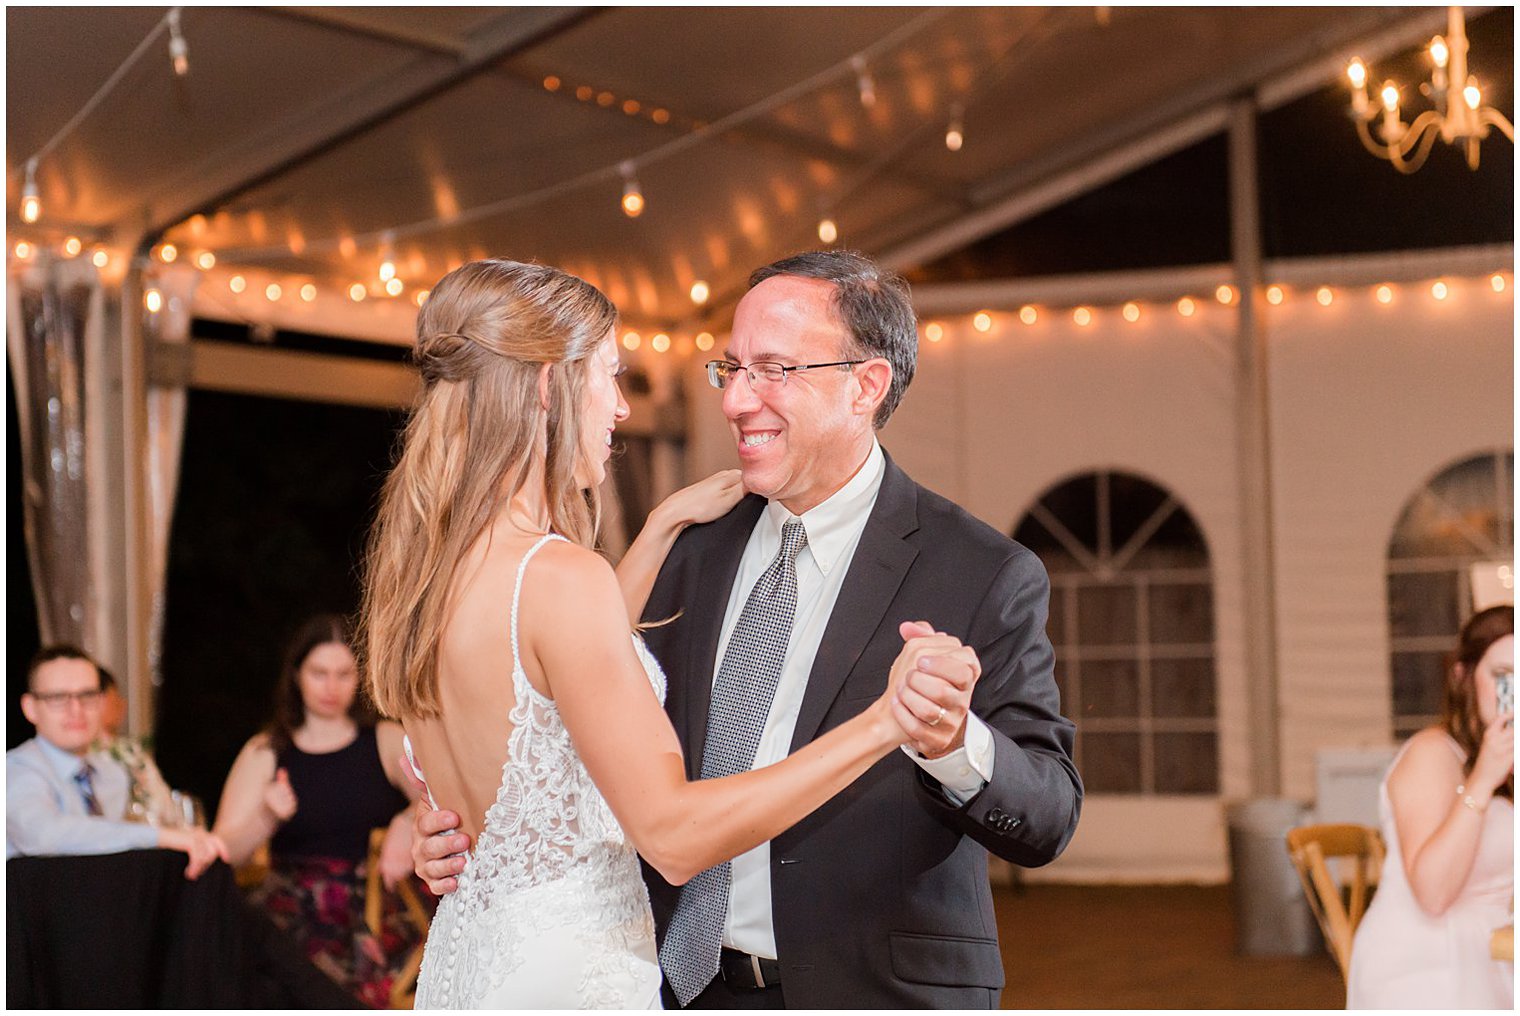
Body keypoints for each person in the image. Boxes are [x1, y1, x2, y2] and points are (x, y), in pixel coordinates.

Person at [414, 250, 1083, 1008]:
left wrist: (955, 742)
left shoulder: (979, 569)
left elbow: (1049, 815)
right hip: (670, 986)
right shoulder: (692, 549)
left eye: (773, 370)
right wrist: (471, 834)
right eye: (730, 369)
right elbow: (554, 715)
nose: (736, 401)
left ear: (865, 384)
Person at [212, 614, 423, 1008]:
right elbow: (222, 852)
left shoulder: (387, 739)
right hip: (291, 916)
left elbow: (442, 800)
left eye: (344, 674)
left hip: (375, 914)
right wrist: (266, 818)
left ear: (361, 676)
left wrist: (407, 821)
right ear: (296, 675)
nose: (331, 687)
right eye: (319, 673)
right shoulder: (266, 751)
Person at [1347, 605, 1514, 1008]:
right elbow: (1433, 893)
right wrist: (1484, 779)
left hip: (1496, 952)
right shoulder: (1431, 754)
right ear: (1462, 676)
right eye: (1503, 676)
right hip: (1428, 961)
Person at [7, 645, 226, 878]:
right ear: (30, 708)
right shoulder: (16, 770)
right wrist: (158, 836)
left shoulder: (111, 774)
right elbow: (44, 836)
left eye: (87, 695)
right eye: (58, 698)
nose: (76, 709)